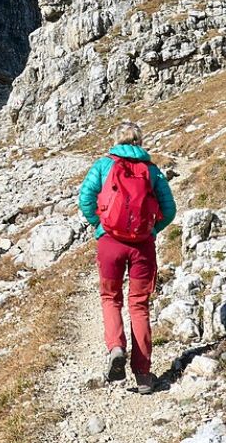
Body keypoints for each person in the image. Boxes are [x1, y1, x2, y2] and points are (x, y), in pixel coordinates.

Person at [77, 121, 176, 393]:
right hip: (142, 246)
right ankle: (143, 375)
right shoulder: (152, 171)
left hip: (110, 243)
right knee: (139, 305)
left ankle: (116, 348)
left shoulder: (103, 165)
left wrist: (100, 226)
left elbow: (84, 198)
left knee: (111, 298)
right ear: (140, 142)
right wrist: (152, 230)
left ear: (116, 140)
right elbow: (170, 210)